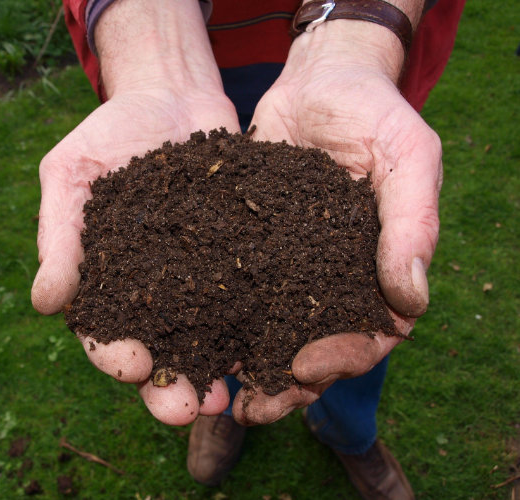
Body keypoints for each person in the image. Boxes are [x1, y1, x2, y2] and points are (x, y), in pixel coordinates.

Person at [31, 0, 465, 498]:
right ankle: (221, 393)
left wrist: (356, 37)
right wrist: (155, 51)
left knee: (358, 312)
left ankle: (350, 433)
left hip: (360, 47)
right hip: (198, 45)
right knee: (228, 333)